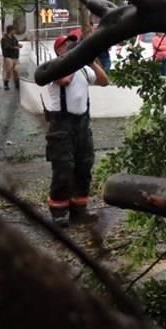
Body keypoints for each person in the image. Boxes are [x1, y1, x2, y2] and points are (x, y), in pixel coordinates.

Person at [44, 31, 109, 227]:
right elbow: (65, 81)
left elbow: (104, 81)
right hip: (61, 126)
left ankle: (79, 209)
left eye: (74, 44)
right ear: (59, 50)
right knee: (63, 168)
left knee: (84, 166)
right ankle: (59, 212)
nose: (72, 47)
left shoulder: (83, 69)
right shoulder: (53, 68)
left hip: (82, 125)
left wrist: (91, 61)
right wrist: (73, 60)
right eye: (67, 45)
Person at [0, 25, 22, 91]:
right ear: (10, 30)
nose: (14, 31)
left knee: (16, 70)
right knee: (8, 70)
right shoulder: (4, 38)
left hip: (15, 56)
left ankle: (17, 83)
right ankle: (6, 83)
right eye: (13, 30)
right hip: (8, 56)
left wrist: (18, 45)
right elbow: (6, 47)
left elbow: (16, 44)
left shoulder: (14, 38)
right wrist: (14, 47)